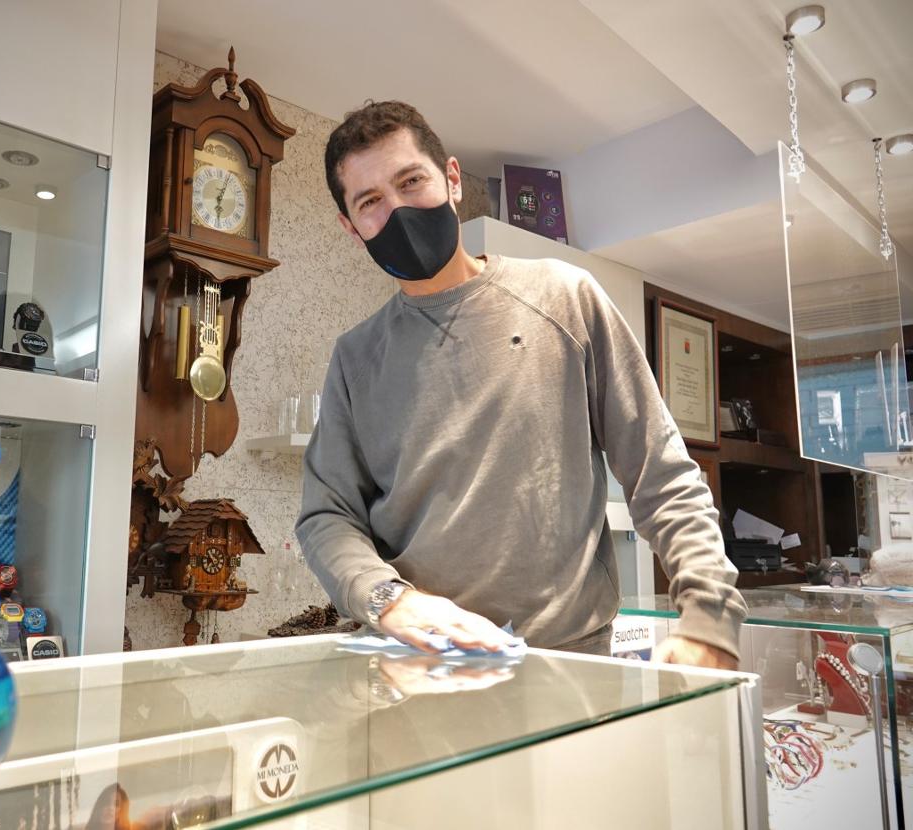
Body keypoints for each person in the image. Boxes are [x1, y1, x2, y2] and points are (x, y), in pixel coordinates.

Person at [295, 101, 745, 669]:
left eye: (412, 181)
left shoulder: (566, 297)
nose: (398, 211)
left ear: (452, 180)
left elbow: (660, 471)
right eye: (370, 202)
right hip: (418, 667)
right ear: (350, 226)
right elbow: (325, 516)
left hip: (570, 664)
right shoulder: (356, 358)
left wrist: (709, 613)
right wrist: (389, 600)